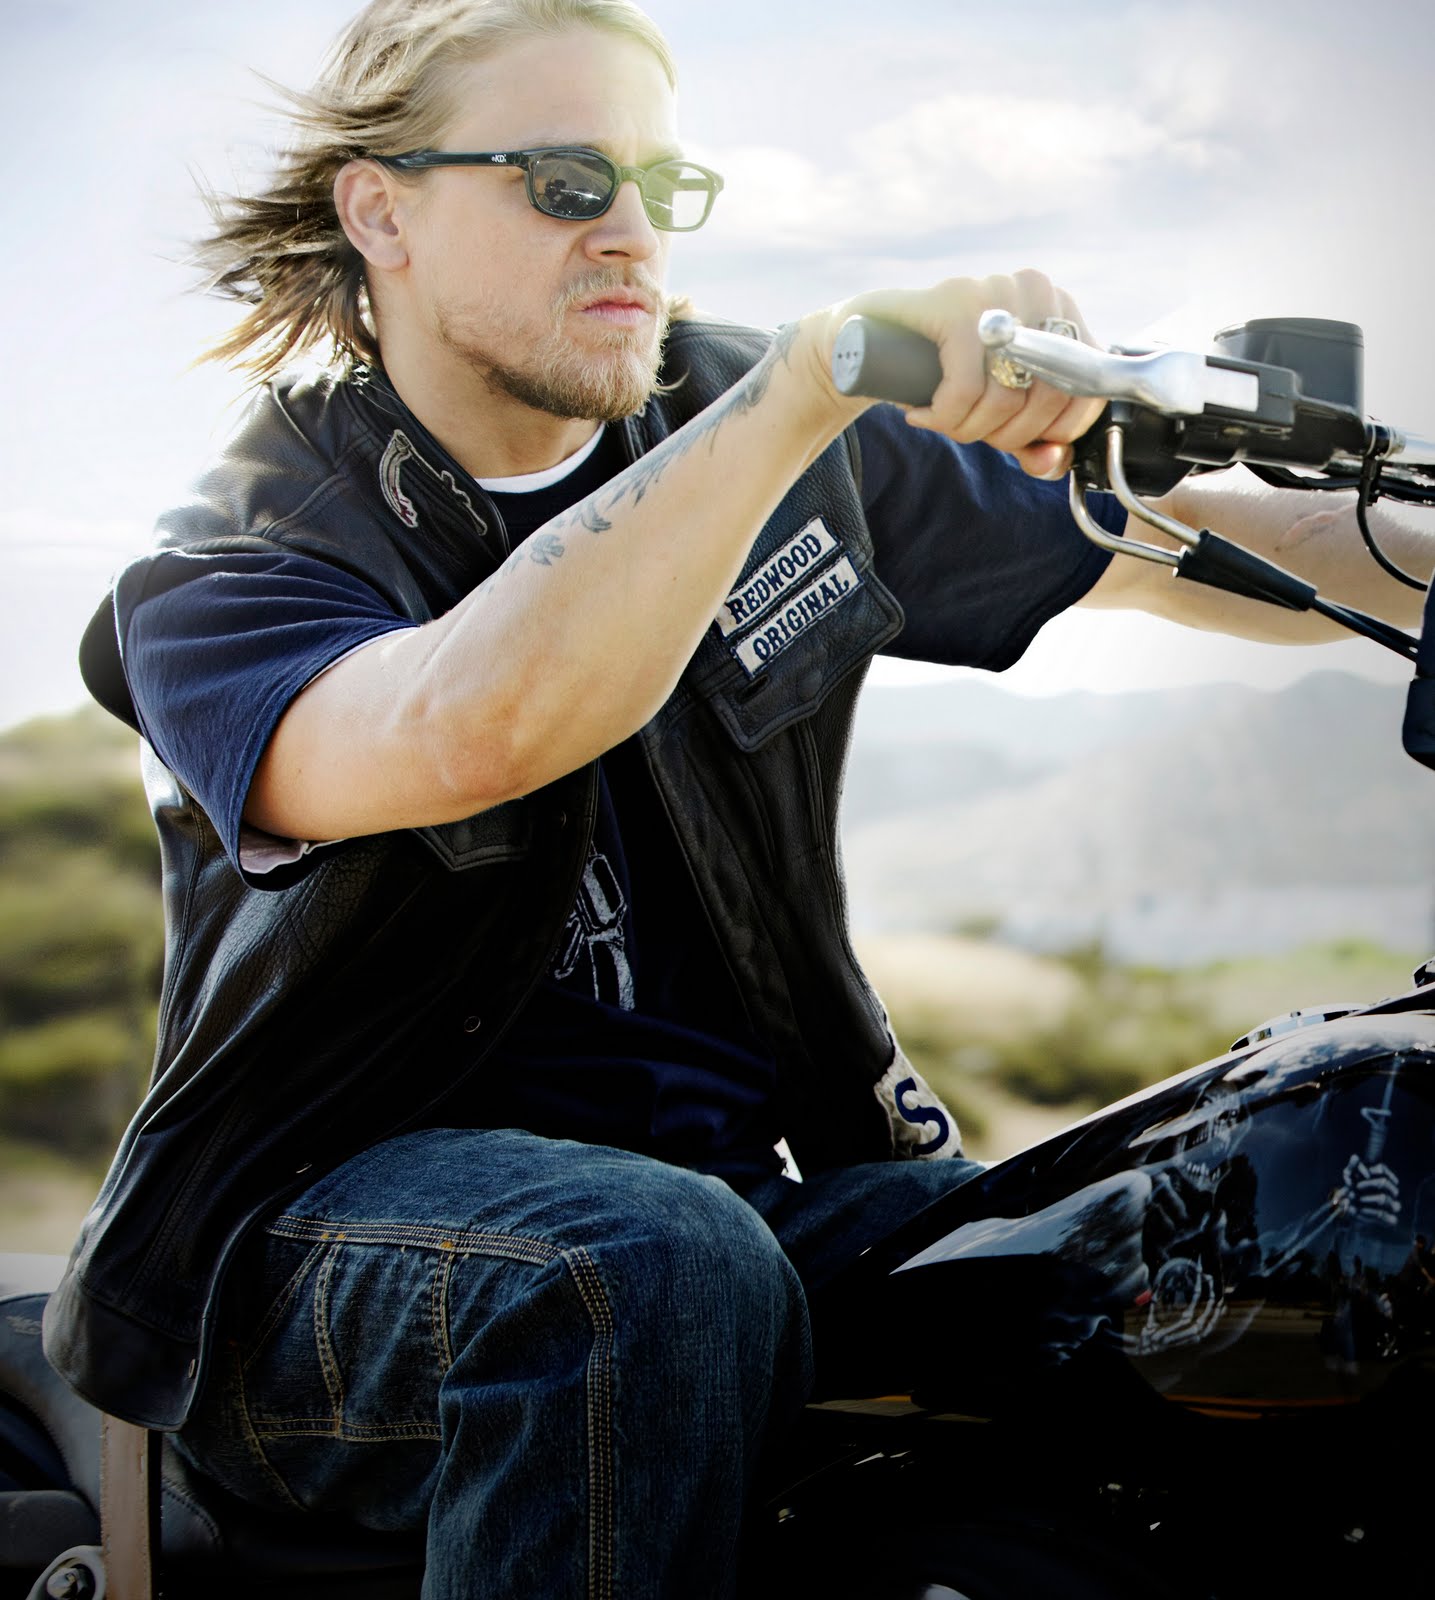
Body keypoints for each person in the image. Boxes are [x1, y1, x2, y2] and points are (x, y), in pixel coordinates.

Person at [43, 1, 1432, 1595]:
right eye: (568, 180)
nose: (631, 232)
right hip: (287, 1263)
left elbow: (1185, 542)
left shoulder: (761, 440)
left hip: (750, 1199)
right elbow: (470, 724)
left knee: (1156, 1240)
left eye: (661, 185)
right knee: (640, 1268)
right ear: (382, 211)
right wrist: (803, 388)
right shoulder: (232, 560)